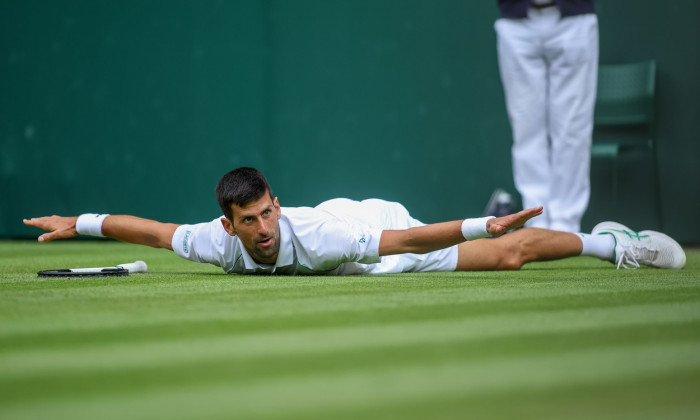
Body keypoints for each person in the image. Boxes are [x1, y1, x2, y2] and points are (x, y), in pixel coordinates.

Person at [24, 167, 685, 275]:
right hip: (365, 246)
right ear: (228, 226)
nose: (262, 229)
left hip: (378, 235)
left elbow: (406, 238)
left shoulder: (319, 236)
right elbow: (149, 232)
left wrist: (482, 228)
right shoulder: (214, 242)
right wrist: (76, 221)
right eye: (248, 221)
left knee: (510, 255)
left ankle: (616, 246)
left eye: (266, 213)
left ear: (276, 203)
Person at [495, 0, 598, 232]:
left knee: (572, 127)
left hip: (573, 18)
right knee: (525, 128)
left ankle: (566, 225)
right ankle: (537, 223)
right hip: (516, 19)